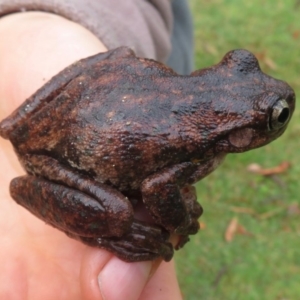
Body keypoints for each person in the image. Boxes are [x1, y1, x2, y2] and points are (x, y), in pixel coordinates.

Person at [0, 1, 194, 299]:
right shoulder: (198, 145)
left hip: (76, 117)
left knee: (124, 58)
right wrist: (183, 220)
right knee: (117, 213)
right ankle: (109, 236)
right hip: (65, 162)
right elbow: (157, 188)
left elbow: (159, 182)